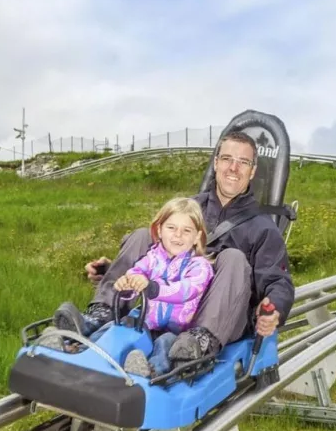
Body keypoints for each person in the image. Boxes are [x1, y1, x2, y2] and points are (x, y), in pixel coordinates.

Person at [53, 130, 294, 365]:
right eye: (228, 159)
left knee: (231, 257)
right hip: (171, 305)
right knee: (141, 235)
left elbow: (279, 282)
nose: (234, 168)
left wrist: (275, 308)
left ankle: (201, 339)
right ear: (216, 163)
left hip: (223, 316)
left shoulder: (263, 228)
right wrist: (111, 269)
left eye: (243, 162)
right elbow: (160, 254)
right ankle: (102, 312)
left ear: (252, 172)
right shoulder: (190, 208)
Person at [111, 198, 214, 377]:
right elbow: (137, 272)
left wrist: (154, 288)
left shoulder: (200, 266)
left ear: (197, 236)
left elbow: (187, 290)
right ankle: (85, 346)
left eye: (186, 230)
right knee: (123, 324)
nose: (177, 235)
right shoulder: (152, 258)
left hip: (177, 329)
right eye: (171, 228)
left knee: (166, 343)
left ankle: (151, 371)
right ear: (159, 230)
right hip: (146, 322)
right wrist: (128, 284)